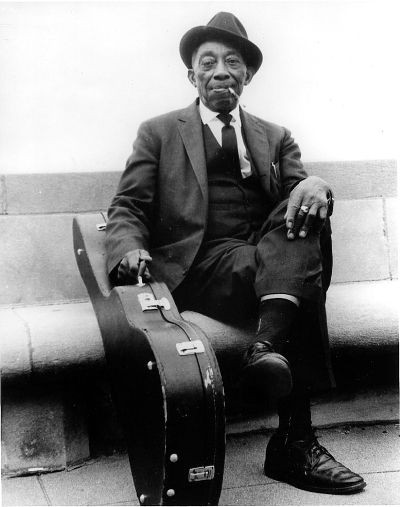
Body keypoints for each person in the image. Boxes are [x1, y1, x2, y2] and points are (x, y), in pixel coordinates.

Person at [105, 12, 366, 494]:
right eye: (208, 63)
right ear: (192, 76)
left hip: (263, 262)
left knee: (307, 216)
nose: (220, 72)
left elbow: (297, 197)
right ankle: (294, 441)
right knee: (301, 275)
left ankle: (264, 350)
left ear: (248, 74)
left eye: (232, 62)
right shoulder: (159, 132)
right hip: (201, 264)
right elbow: (128, 205)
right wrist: (129, 247)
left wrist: (316, 183)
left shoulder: (276, 135)